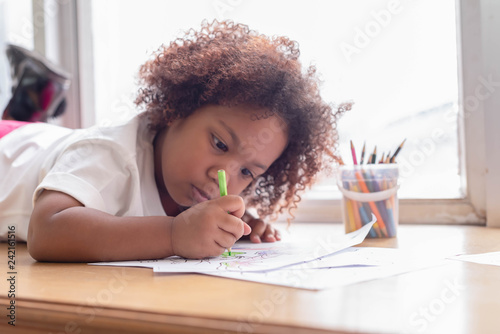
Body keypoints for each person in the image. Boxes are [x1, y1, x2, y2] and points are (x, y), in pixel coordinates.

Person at [0, 20, 349, 262]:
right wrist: (173, 234)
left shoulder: (186, 183)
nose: (222, 175)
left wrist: (228, 228)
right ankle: (33, 94)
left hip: (42, 145)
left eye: (247, 171)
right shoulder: (110, 156)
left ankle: (35, 94)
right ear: (176, 111)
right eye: (220, 144)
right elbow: (46, 232)